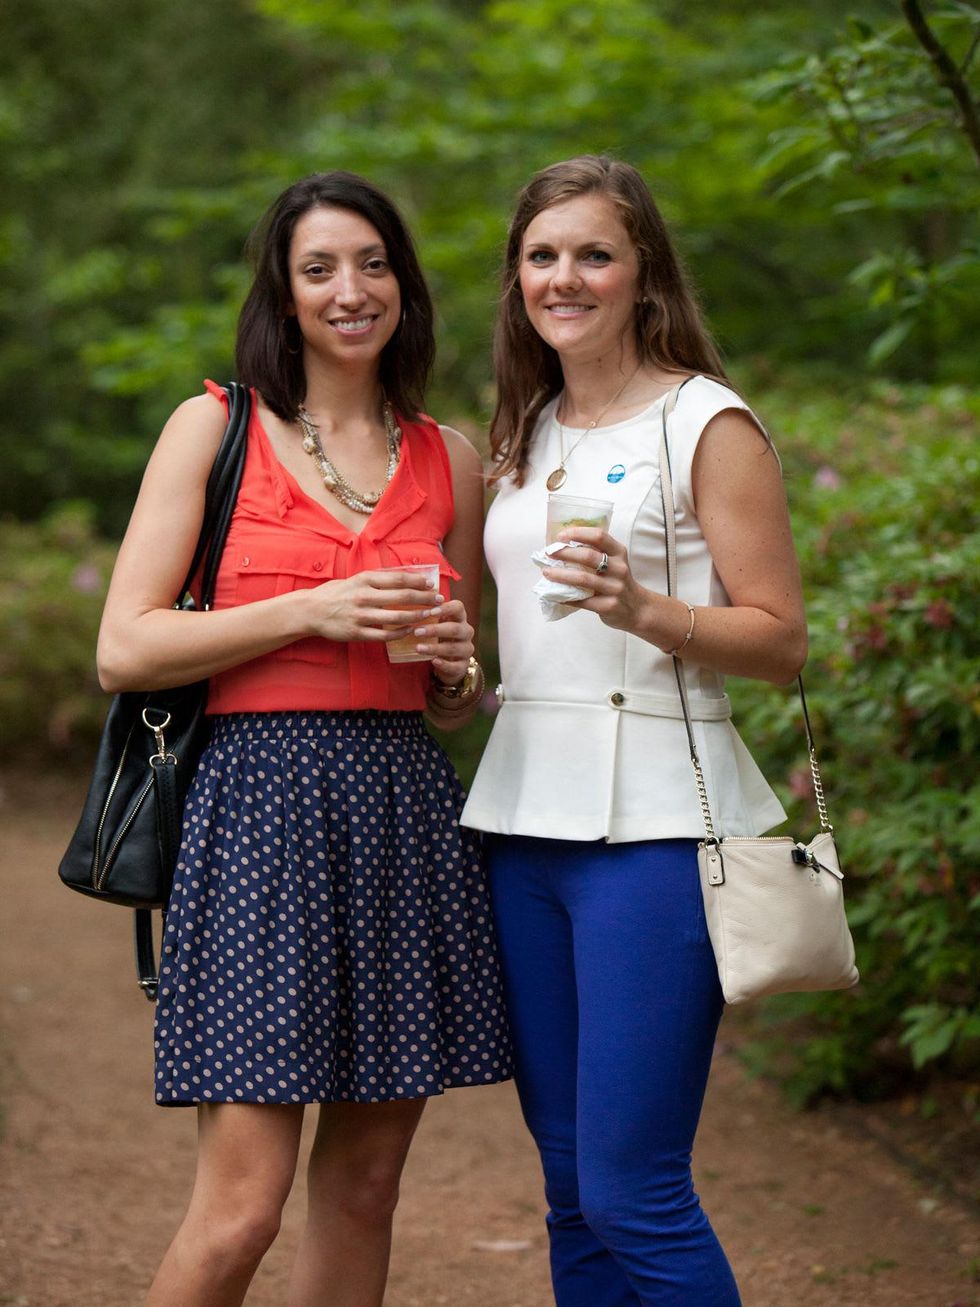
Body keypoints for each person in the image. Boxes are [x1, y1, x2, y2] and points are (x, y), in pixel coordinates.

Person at [96, 170, 511, 1307]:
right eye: (318, 268)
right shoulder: (214, 427)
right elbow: (124, 648)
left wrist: (455, 667)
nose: (349, 289)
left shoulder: (448, 456)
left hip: (401, 811)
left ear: (403, 286)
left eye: (372, 264)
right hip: (257, 811)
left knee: (366, 1188)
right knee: (240, 1209)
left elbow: (452, 695)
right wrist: (309, 610)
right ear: (283, 295)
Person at [461, 155, 808, 1305]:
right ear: (516, 279)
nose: (564, 277)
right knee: (569, 1187)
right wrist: (448, 667)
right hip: (521, 826)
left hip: (656, 832)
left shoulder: (705, 421)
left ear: (642, 269)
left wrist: (642, 607)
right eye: (541, 255)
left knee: (631, 1189)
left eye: (592, 253)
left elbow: (780, 640)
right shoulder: (522, 431)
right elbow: (518, 645)